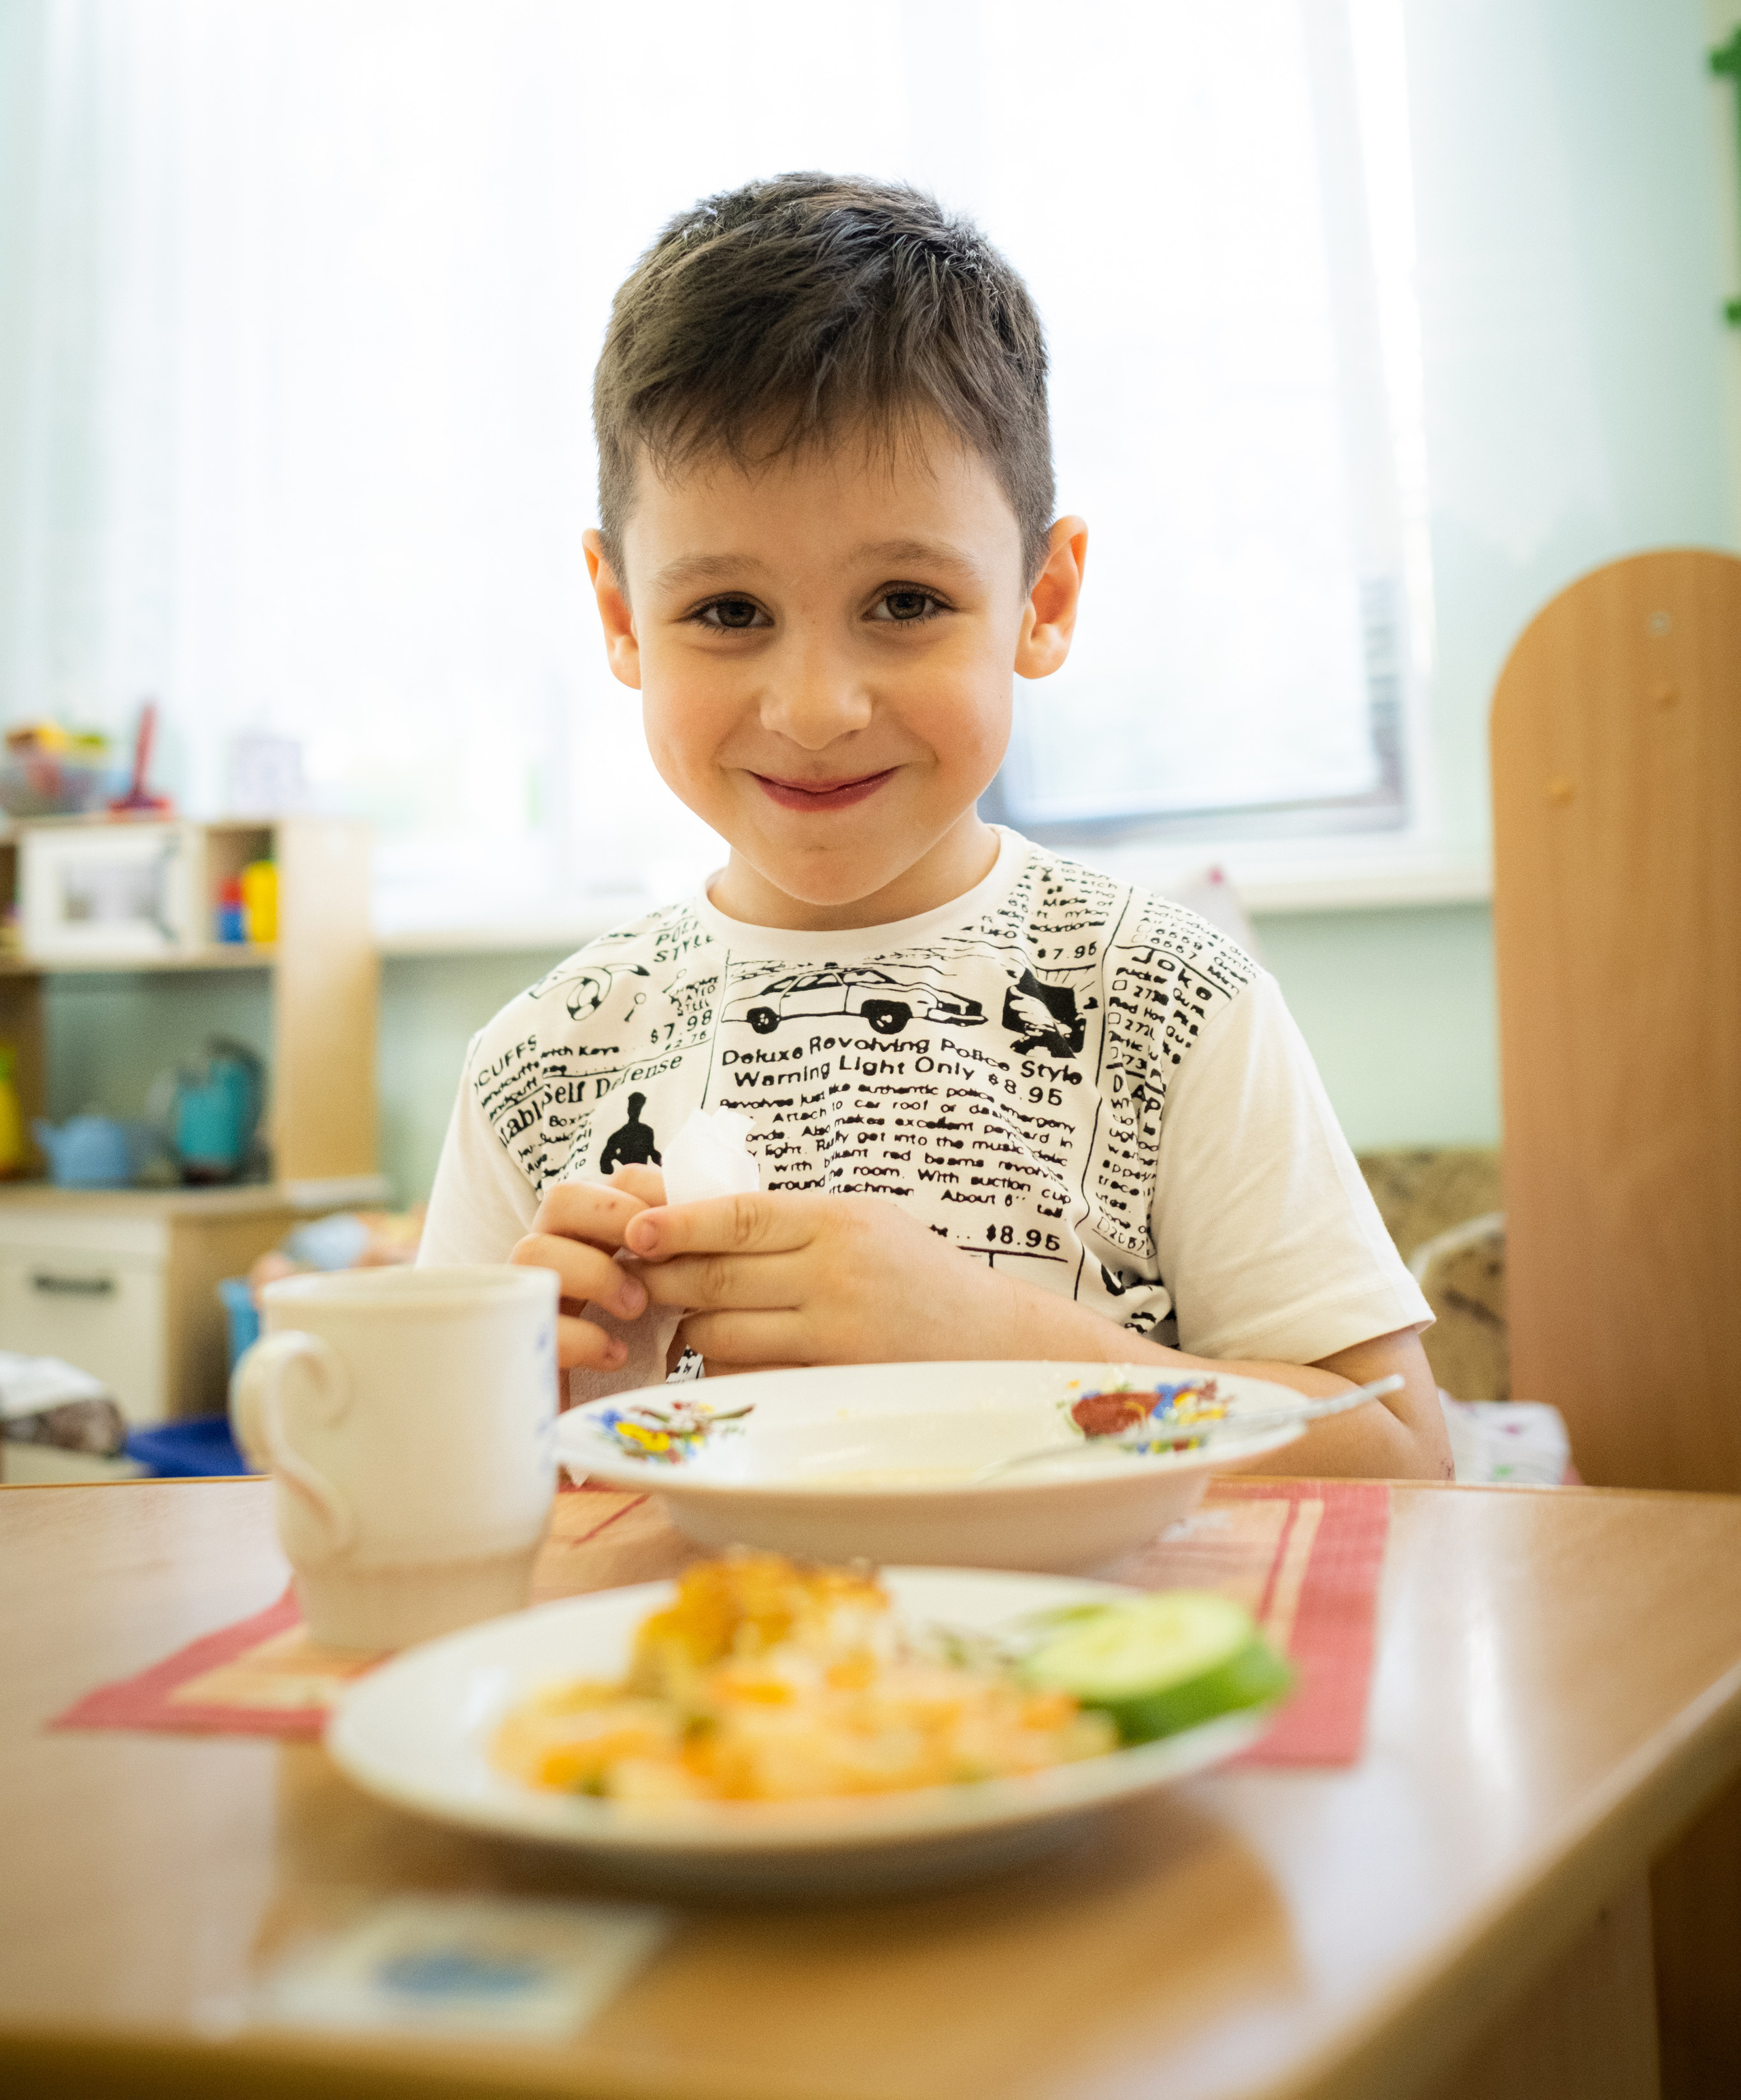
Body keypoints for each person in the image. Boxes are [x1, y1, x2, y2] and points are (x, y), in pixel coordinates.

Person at [420, 175, 1449, 1478]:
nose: (813, 709)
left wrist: (992, 1336)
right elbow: (443, 1489)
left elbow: (1404, 1458)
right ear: (621, 619)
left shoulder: (1167, 1001)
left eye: (904, 601)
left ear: (1043, 599)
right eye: (728, 611)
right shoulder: (541, 1065)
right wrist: (562, 1403)